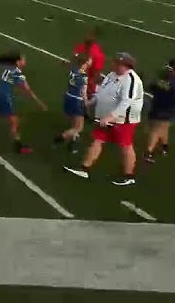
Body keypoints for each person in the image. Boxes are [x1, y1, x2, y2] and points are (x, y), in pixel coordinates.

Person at [64, 53, 144, 186]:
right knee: (97, 139)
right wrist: (91, 102)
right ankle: (84, 168)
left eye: (116, 63)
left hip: (124, 120)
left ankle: (129, 175)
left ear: (125, 65)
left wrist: (110, 117)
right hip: (105, 118)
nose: (113, 64)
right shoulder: (111, 75)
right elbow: (102, 92)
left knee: (125, 145)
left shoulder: (131, 80)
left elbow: (127, 102)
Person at [0, 51, 47, 155]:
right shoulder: (17, 73)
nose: (25, 62)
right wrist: (39, 103)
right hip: (4, 97)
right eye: (23, 60)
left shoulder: (7, 68)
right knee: (14, 121)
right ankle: (19, 147)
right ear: (17, 62)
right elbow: (28, 90)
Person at [144, 58, 175, 162]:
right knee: (157, 130)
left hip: (157, 105)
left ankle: (164, 146)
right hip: (168, 109)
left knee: (163, 127)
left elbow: (151, 87)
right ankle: (148, 152)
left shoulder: (161, 76)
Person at [53, 52, 92, 154]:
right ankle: (59, 139)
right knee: (78, 128)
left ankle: (73, 143)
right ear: (86, 62)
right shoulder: (84, 76)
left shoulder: (73, 70)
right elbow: (83, 92)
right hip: (77, 101)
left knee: (73, 123)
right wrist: (86, 104)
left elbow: (67, 63)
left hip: (68, 97)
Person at [73, 29, 107, 98]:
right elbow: (75, 56)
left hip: (89, 80)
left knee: (88, 97)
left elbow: (96, 71)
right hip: (82, 77)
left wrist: (91, 82)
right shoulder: (81, 47)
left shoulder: (97, 55)